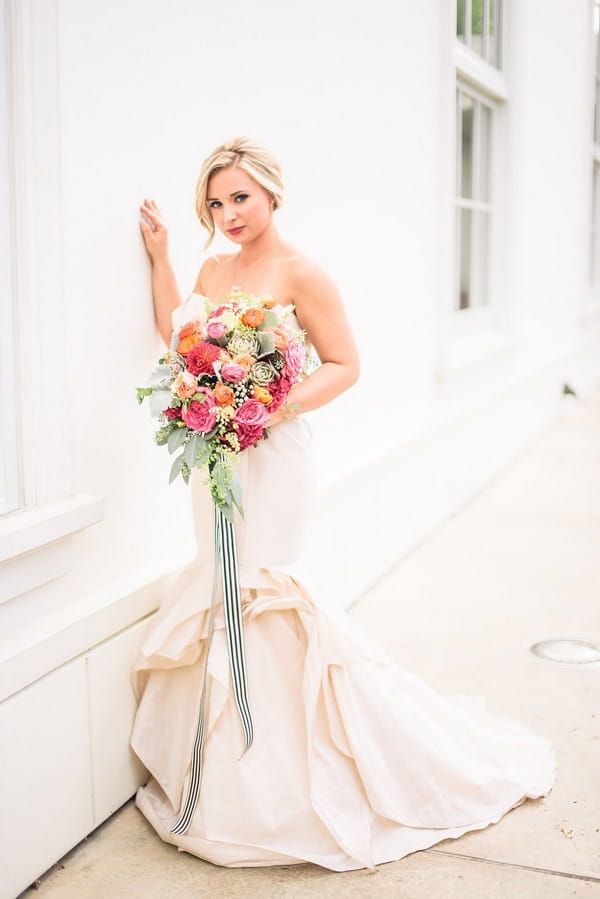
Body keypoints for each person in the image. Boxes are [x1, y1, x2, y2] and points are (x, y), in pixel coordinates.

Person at [130, 136, 557, 872]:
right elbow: (179, 337)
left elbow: (346, 364)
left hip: (272, 457)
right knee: (218, 578)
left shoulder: (303, 272)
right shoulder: (212, 267)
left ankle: (285, 780)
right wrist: (162, 259)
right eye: (216, 201)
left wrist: (268, 405)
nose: (228, 213)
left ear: (271, 193)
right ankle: (230, 777)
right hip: (216, 459)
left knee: (264, 587)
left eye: (241, 197)